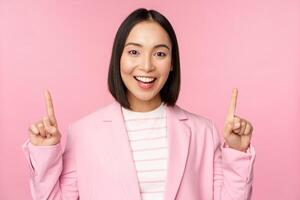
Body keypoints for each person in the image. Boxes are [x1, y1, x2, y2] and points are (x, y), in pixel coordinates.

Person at [22, 8, 255, 200]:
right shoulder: (83, 132)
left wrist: (236, 152)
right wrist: (45, 152)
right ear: (118, 58)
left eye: (160, 54)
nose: (146, 66)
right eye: (134, 51)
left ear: (172, 63)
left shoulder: (203, 132)